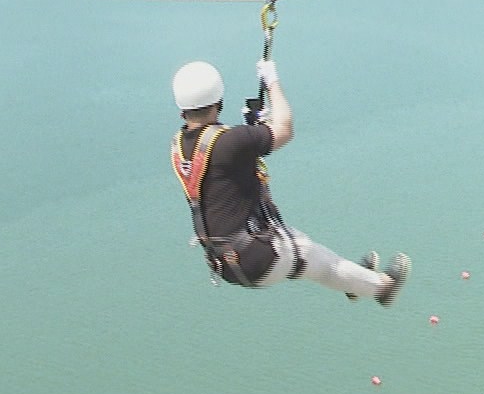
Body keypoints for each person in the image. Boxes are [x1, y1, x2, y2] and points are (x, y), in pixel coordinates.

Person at [168, 58, 408, 303]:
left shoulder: (178, 147)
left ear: (181, 110)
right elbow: (284, 129)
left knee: (305, 249)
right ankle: (381, 288)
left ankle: (357, 280)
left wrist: (252, 130)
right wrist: (272, 82)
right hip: (255, 256)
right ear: (219, 102)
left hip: (223, 262)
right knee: (314, 259)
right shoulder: (233, 140)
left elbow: (224, 169)